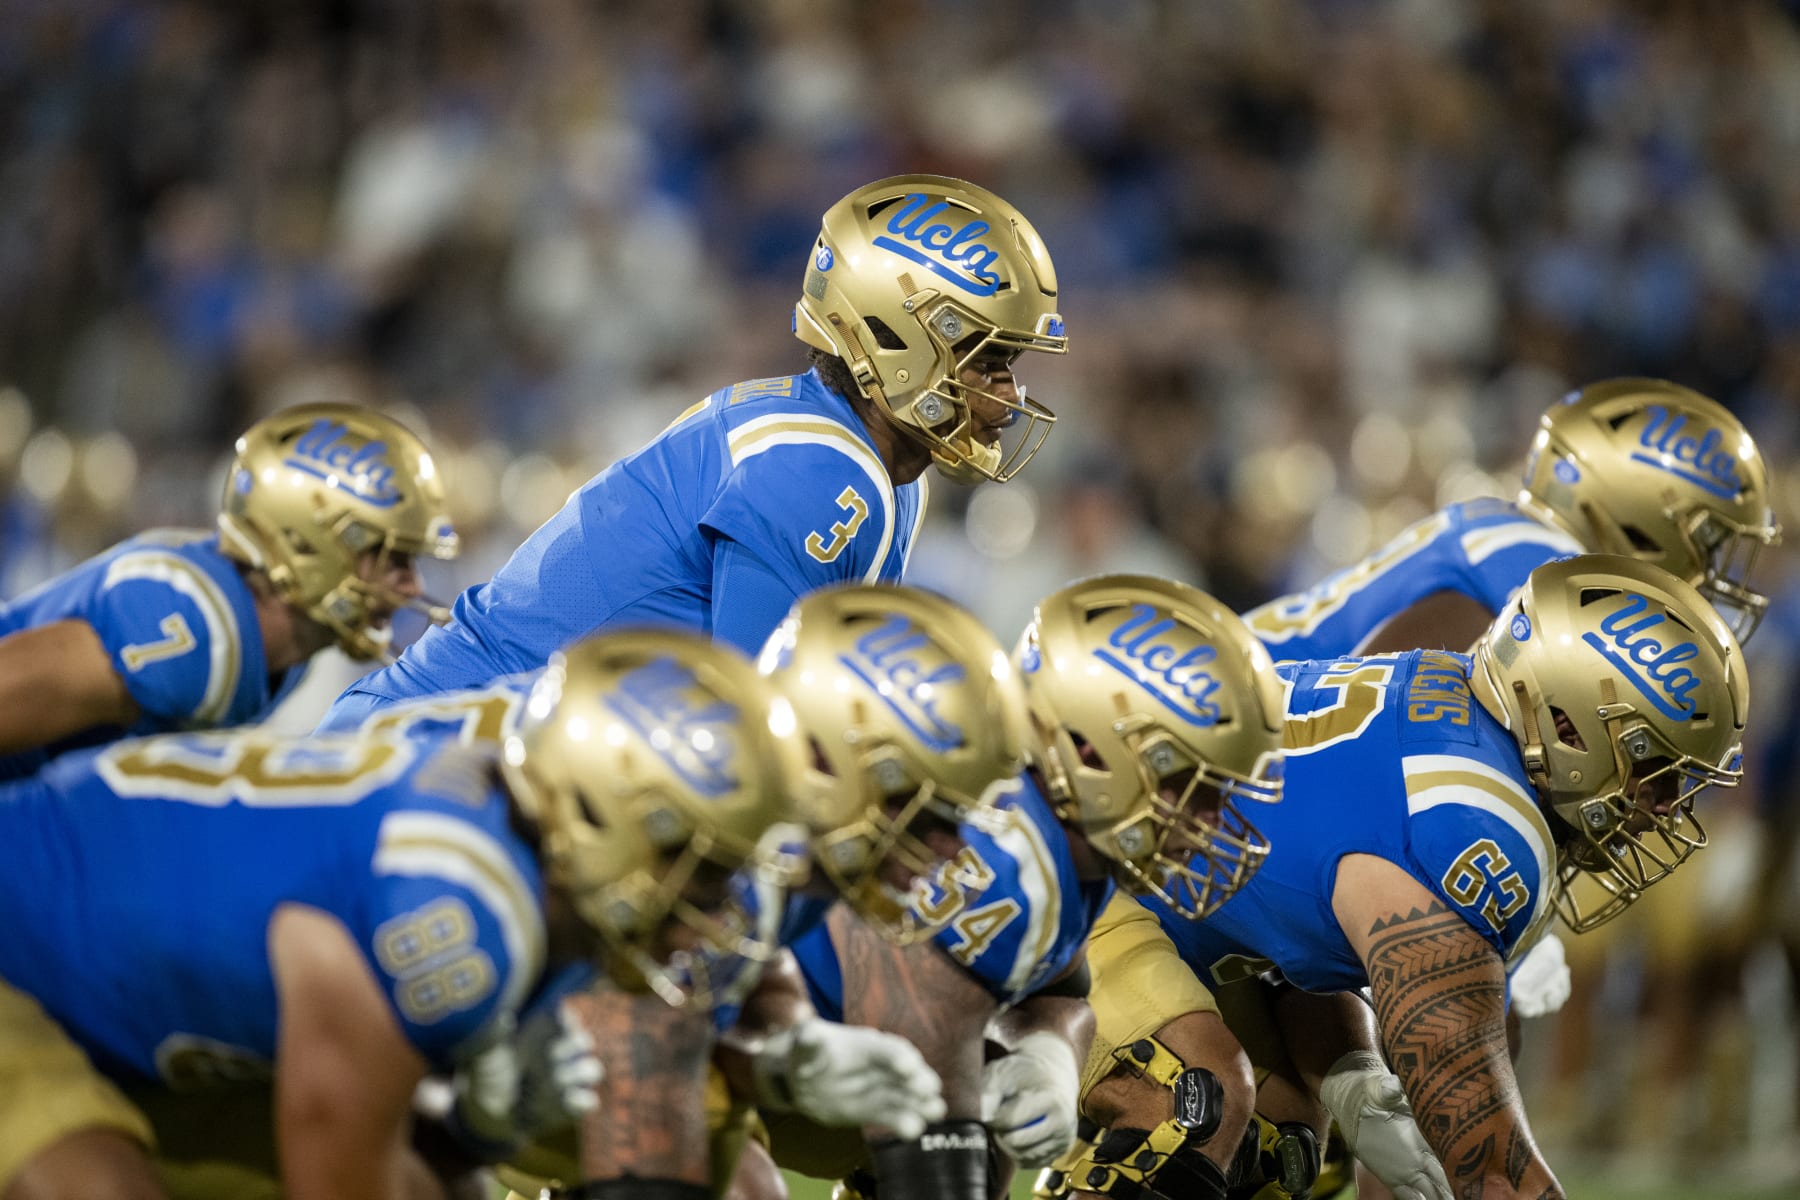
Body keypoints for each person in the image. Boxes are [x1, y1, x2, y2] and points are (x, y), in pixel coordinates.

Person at [0, 627, 810, 1200]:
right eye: (700, 864)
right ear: (596, 820)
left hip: (132, 1011)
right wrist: (465, 1137)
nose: (719, 899)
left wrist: (471, 1135)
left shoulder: (538, 875)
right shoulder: (457, 904)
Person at [1040, 554, 1750, 1200]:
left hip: (1170, 910)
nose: (1666, 808)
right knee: (1192, 1102)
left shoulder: (1455, 708)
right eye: (1656, 770)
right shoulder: (1476, 826)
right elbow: (1492, 1170)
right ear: (1568, 729)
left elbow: (1297, 897)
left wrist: (1353, 1069)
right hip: (1077, 874)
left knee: (1282, 1148)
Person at [319, 174, 1069, 734]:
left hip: (477, 742)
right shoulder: (824, 473)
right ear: (896, 339)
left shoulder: (863, 461)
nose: (1005, 394)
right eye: (987, 357)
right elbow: (748, 739)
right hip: (436, 755)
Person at [771, 575, 1288, 1200]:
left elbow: (1061, 985)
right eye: (1190, 781)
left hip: (813, 1059)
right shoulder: (1004, 853)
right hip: (740, 1052)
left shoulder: (1067, 850)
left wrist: (1048, 1056)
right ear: (1092, 752)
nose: (1211, 819)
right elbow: (924, 1031)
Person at [0, 401, 458, 779]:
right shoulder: (194, 625)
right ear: (308, 542)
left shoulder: (287, 649)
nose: (412, 584)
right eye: (391, 558)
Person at [1246, 378, 1780, 661]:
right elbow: (1374, 731)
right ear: (1640, 521)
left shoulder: (1512, 538)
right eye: (1709, 542)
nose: (1713, 573)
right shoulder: (1536, 570)